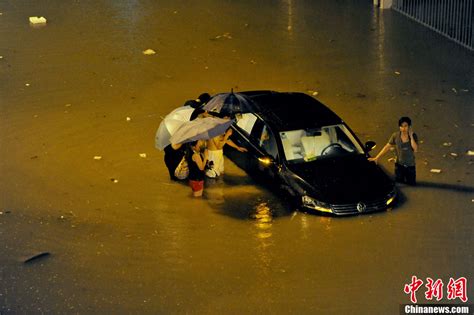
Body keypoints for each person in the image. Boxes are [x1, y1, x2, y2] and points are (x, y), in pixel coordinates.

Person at [368, 116, 419, 185]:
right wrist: (377, 157)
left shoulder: (413, 136)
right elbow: (387, 146)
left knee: (411, 184)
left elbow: (415, 149)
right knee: (399, 183)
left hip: (410, 166)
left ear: (409, 127)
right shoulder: (395, 136)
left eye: (405, 126)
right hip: (399, 166)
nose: (403, 128)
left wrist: (411, 137)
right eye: (401, 126)